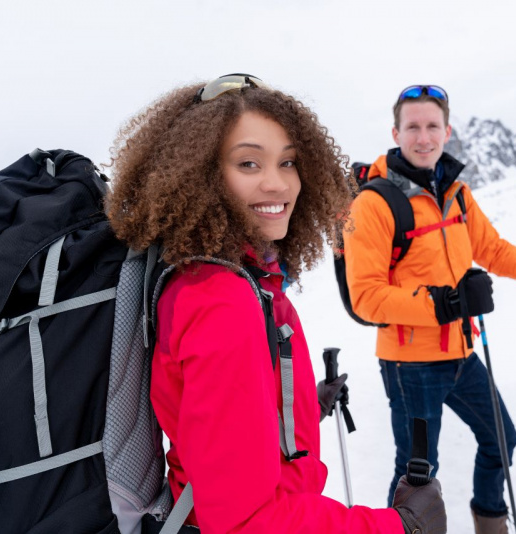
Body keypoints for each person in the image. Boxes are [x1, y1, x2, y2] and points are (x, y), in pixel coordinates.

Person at [106, 74, 447, 534]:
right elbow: (246, 522)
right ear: (200, 175)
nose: (278, 183)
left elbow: (217, 417)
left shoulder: (221, 276)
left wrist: (304, 403)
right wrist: (404, 526)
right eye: (249, 163)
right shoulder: (221, 301)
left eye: (288, 162)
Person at [342, 84, 516, 534]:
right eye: (413, 127)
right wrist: (447, 303)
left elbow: (495, 251)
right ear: (395, 132)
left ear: (447, 131)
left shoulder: (457, 194)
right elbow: (366, 296)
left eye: (432, 126)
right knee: (417, 477)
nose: (423, 137)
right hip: (410, 366)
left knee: (501, 441)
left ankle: (489, 524)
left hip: (462, 355)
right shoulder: (375, 202)